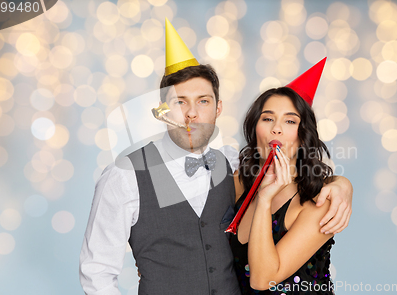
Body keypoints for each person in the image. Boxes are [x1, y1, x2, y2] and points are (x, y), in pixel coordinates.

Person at [79, 19, 351, 295]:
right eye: (179, 102)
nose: (192, 114)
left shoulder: (232, 165)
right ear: (161, 111)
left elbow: (298, 173)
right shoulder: (124, 176)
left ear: (218, 108)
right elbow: (97, 274)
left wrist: (342, 185)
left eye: (203, 101)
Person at [230, 58, 341, 294]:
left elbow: (263, 280)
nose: (276, 128)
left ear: (303, 136)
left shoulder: (319, 203)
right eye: (267, 118)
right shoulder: (238, 183)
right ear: (254, 127)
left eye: (290, 121)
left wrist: (264, 199)